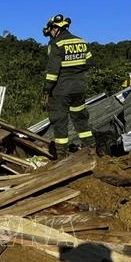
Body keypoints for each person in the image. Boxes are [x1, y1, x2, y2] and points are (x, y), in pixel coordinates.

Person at [42, 14, 95, 158]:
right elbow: (90, 62)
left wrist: (46, 90)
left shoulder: (56, 44)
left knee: (60, 121)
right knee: (81, 119)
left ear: (55, 28)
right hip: (80, 88)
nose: (51, 35)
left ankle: (61, 156)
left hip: (61, 90)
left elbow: (52, 73)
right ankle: (92, 149)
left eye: (51, 32)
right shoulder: (81, 41)